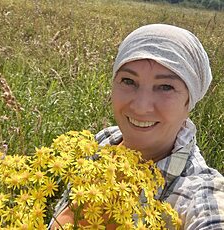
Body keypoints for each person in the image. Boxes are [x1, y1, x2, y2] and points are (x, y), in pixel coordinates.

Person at [50, 24, 224, 229]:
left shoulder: (197, 191)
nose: (141, 107)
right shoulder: (101, 142)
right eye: (128, 81)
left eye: (166, 87)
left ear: (190, 101)